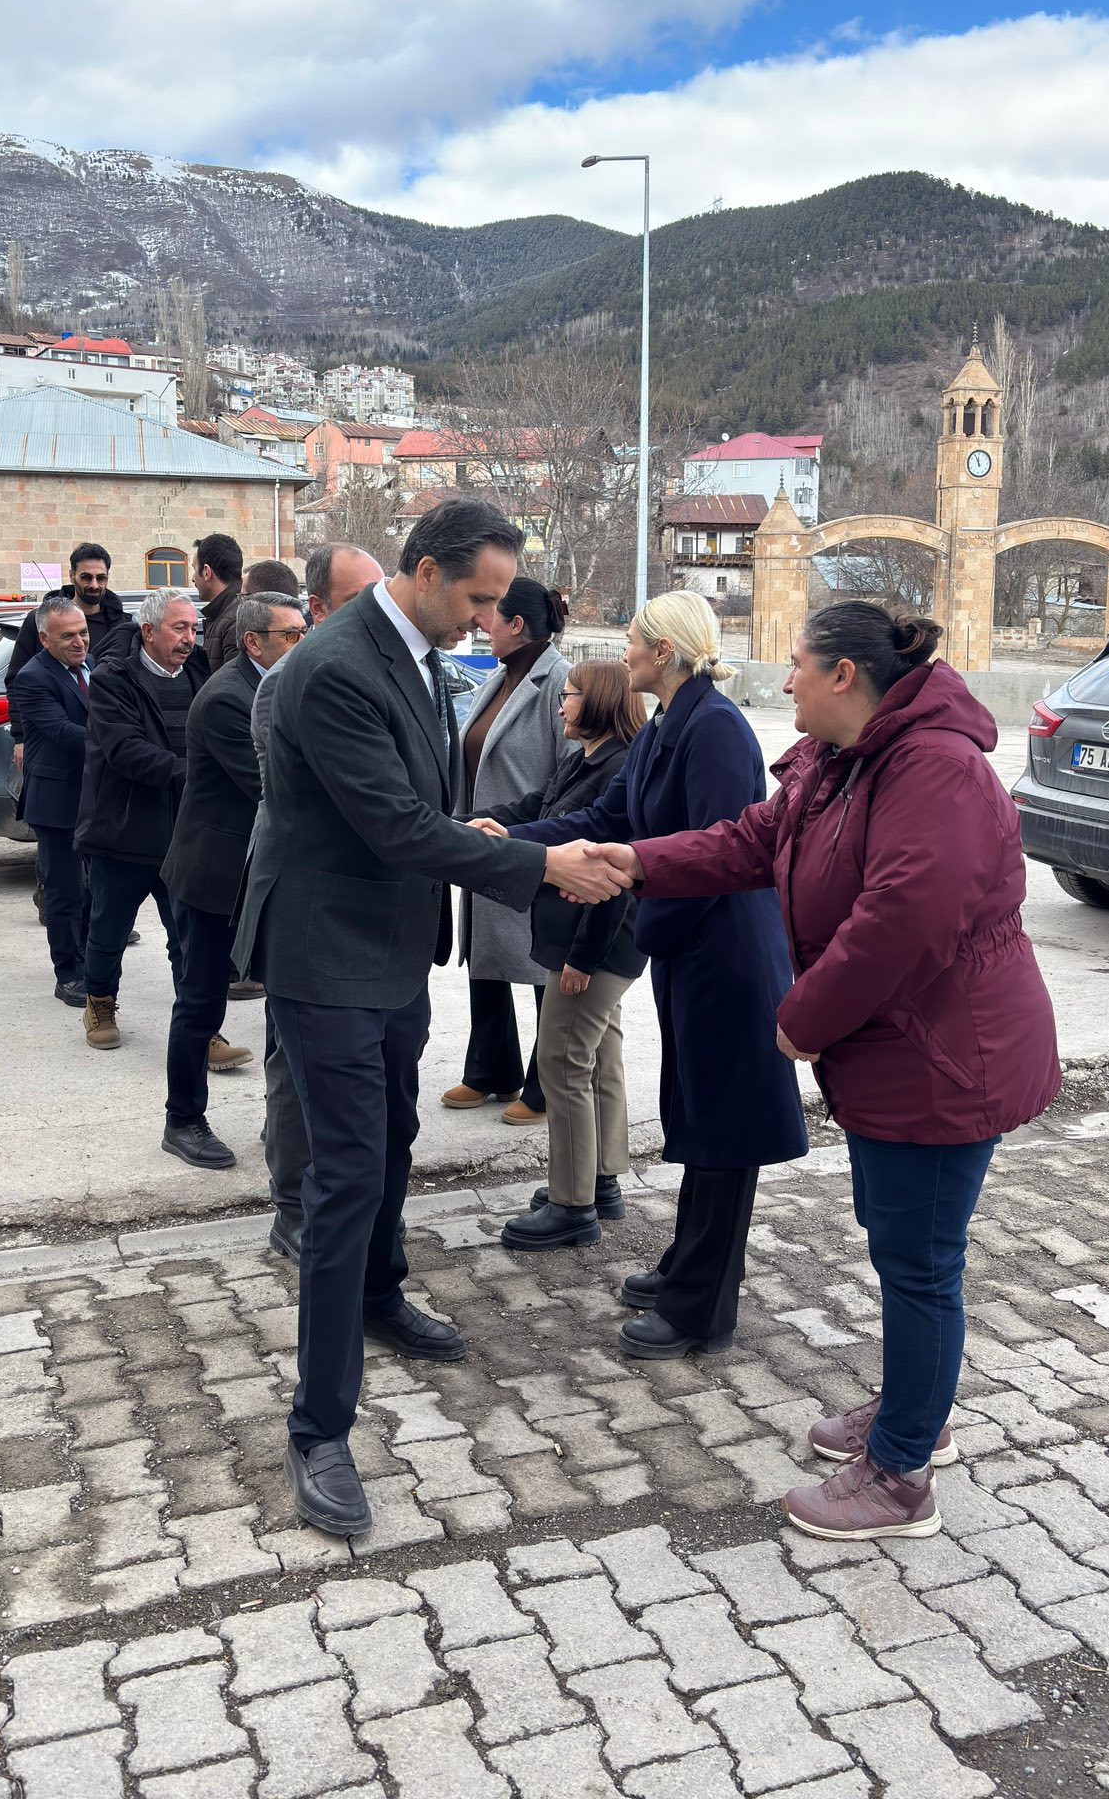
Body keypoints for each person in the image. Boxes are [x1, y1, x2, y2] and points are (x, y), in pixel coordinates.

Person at [592, 602, 1062, 1541]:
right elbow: (750, 842)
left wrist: (801, 1020)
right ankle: (912, 1411)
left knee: (920, 1259)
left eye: (799, 664)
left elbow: (905, 920)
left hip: (945, 1061)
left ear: (845, 676)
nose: (786, 678)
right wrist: (634, 861)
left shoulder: (934, 768)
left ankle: (901, 1475)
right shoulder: (842, 763)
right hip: (905, 1052)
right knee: (903, 1244)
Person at [241, 498, 621, 1537]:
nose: (488, 616)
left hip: (391, 948)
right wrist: (539, 860)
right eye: (478, 595)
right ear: (422, 569)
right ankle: (318, 1426)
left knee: (394, 1140)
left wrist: (475, 828)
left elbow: (419, 806)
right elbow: (394, 824)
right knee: (346, 1172)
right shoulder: (336, 662)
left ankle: (379, 1292)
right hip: (327, 953)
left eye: (499, 598)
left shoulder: (405, 649)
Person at [505, 590, 807, 1359]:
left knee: (724, 1131)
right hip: (691, 949)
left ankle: (701, 1307)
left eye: (634, 640)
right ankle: (686, 1265)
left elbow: (716, 853)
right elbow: (608, 823)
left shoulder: (716, 730)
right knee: (699, 1120)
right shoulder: (671, 722)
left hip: (727, 954)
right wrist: (510, 840)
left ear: (664, 652)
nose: (625, 651)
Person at [241, 543, 385, 1260]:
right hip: (310, 904)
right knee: (293, 1072)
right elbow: (307, 808)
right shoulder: (289, 682)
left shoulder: (384, 668)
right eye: (361, 598)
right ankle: (292, 1209)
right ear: (319, 609)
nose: (378, 611)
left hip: (367, 911)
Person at [477, 661, 649, 1248]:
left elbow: (609, 869)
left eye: (570, 696)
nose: (560, 706)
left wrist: (582, 958)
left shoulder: (619, 767)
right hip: (581, 939)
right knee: (600, 1056)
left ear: (598, 702)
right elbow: (537, 809)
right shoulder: (588, 759)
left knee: (561, 1064)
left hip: (592, 943)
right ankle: (601, 1180)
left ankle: (572, 1204)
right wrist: (484, 827)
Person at [160, 592, 306, 1169]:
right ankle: (183, 1119)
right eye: (291, 635)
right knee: (201, 1003)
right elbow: (273, 784)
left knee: (280, 1001)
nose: (303, 643)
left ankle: (283, 1120)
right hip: (215, 875)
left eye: (305, 631)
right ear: (254, 641)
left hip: (263, 872)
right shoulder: (227, 698)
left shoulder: (281, 687)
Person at [74, 586, 245, 1059]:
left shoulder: (200, 675)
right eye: (179, 628)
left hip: (184, 834)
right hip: (123, 832)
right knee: (109, 931)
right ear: (148, 630)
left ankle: (202, 1028)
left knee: (189, 940)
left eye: (194, 628)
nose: (190, 638)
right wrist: (198, 774)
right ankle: (100, 1004)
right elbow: (125, 751)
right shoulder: (113, 680)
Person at [443, 580, 572, 1127]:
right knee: (487, 958)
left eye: (487, 615)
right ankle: (490, 1068)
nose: (478, 623)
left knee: (541, 963)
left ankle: (544, 1086)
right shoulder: (500, 674)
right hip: (486, 836)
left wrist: (542, 833)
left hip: (531, 839)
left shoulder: (557, 679)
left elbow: (572, 770)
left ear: (516, 624)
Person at [10, 598, 95, 1006]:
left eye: (82, 632)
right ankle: (69, 973)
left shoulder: (90, 665)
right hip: (58, 799)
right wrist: (123, 742)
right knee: (64, 891)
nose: (80, 642)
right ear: (44, 639)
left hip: (96, 797)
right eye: (68, 636)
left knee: (94, 888)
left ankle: (91, 958)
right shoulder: (32, 677)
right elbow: (64, 732)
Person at [7, 543, 131, 766]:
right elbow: (16, 679)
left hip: (105, 760)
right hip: (56, 752)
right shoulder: (39, 621)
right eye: (86, 577)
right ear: (72, 575)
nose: (94, 585)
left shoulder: (123, 625)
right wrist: (20, 737)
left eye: (100, 578)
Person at [193, 533, 246, 670]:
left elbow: (235, 686)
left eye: (194, 569)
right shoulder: (224, 613)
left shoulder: (235, 620)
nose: (193, 578)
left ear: (206, 572)